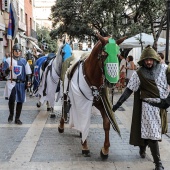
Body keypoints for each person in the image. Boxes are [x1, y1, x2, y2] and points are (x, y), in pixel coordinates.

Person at [112, 46, 169, 170]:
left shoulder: (165, 69)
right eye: (146, 60)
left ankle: (142, 145)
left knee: (154, 132)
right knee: (153, 134)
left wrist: (168, 100)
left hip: (162, 107)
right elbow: (128, 90)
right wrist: (117, 105)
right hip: (148, 106)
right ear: (142, 60)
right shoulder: (139, 74)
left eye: (151, 59)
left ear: (155, 59)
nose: (148, 62)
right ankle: (158, 164)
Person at [3, 43, 32, 125]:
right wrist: (9, 69)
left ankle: (17, 118)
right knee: (12, 100)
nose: (18, 52)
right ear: (13, 51)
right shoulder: (8, 61)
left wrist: (29, 80)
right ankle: (11, 114)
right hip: (12, 83)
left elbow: (28, 72)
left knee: (20, 101)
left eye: (19, 50)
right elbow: (4, 74)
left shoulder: (24, 61)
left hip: (21, 83)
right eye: (16, 50)